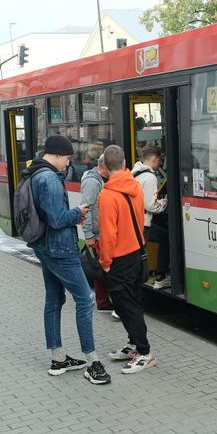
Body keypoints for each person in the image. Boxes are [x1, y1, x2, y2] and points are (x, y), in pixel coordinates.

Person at [23, 134, 110, 385]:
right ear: (59, 155)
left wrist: (71, 215)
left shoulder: (35, 173)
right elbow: (58, 219)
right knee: (85, 299)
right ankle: (92, 362)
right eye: (68, 158)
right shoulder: (49, 179)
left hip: (44, 246)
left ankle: (58, 358)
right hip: (60, 249)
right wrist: (77, 212)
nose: (68, 163)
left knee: (54, 299)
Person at [97, 145, 156, 374]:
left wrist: (105, 262)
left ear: (104, 167)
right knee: (133, 302)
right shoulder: (135, 187)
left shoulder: (107, 195)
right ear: (124, 164)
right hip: (136, 253)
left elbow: (108, 235)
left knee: (126, 306)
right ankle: (134, 344)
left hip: (119, 259)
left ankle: (144, 352)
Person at [80, 146, 118, 316]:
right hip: (96, 233)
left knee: (101, 267)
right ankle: (102, 301)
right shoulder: (92, 182)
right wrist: (88, 235)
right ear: (104, 166)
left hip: (101, 231)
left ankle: (103, 300)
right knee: (100, 267)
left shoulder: (100, 179)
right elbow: (86, 210)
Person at [132, 144, 170, 289]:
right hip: (142, 224)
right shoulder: (150, 177)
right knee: (165, 239)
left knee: (136, 254)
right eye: (160, 160)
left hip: (133, 222)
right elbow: (151, 205)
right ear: (154, 159)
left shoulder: (135, 172)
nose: (160, 164)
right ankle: (160, 277)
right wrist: (165, 201)